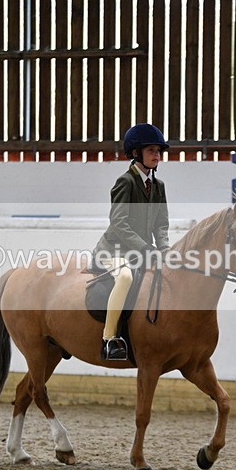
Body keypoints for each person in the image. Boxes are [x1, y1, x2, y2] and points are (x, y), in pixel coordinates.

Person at [93, 123, 171, 361]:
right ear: (136, 153)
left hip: (141, 252)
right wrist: (146, 248)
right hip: (113, 251)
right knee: (125, 277)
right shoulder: (125, 182)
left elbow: (161, 224)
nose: (156, 155)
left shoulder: (158, 186)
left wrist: (165, 249)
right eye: (150, 150)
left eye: (158, 151)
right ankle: (109, 339)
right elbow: (119, 223)